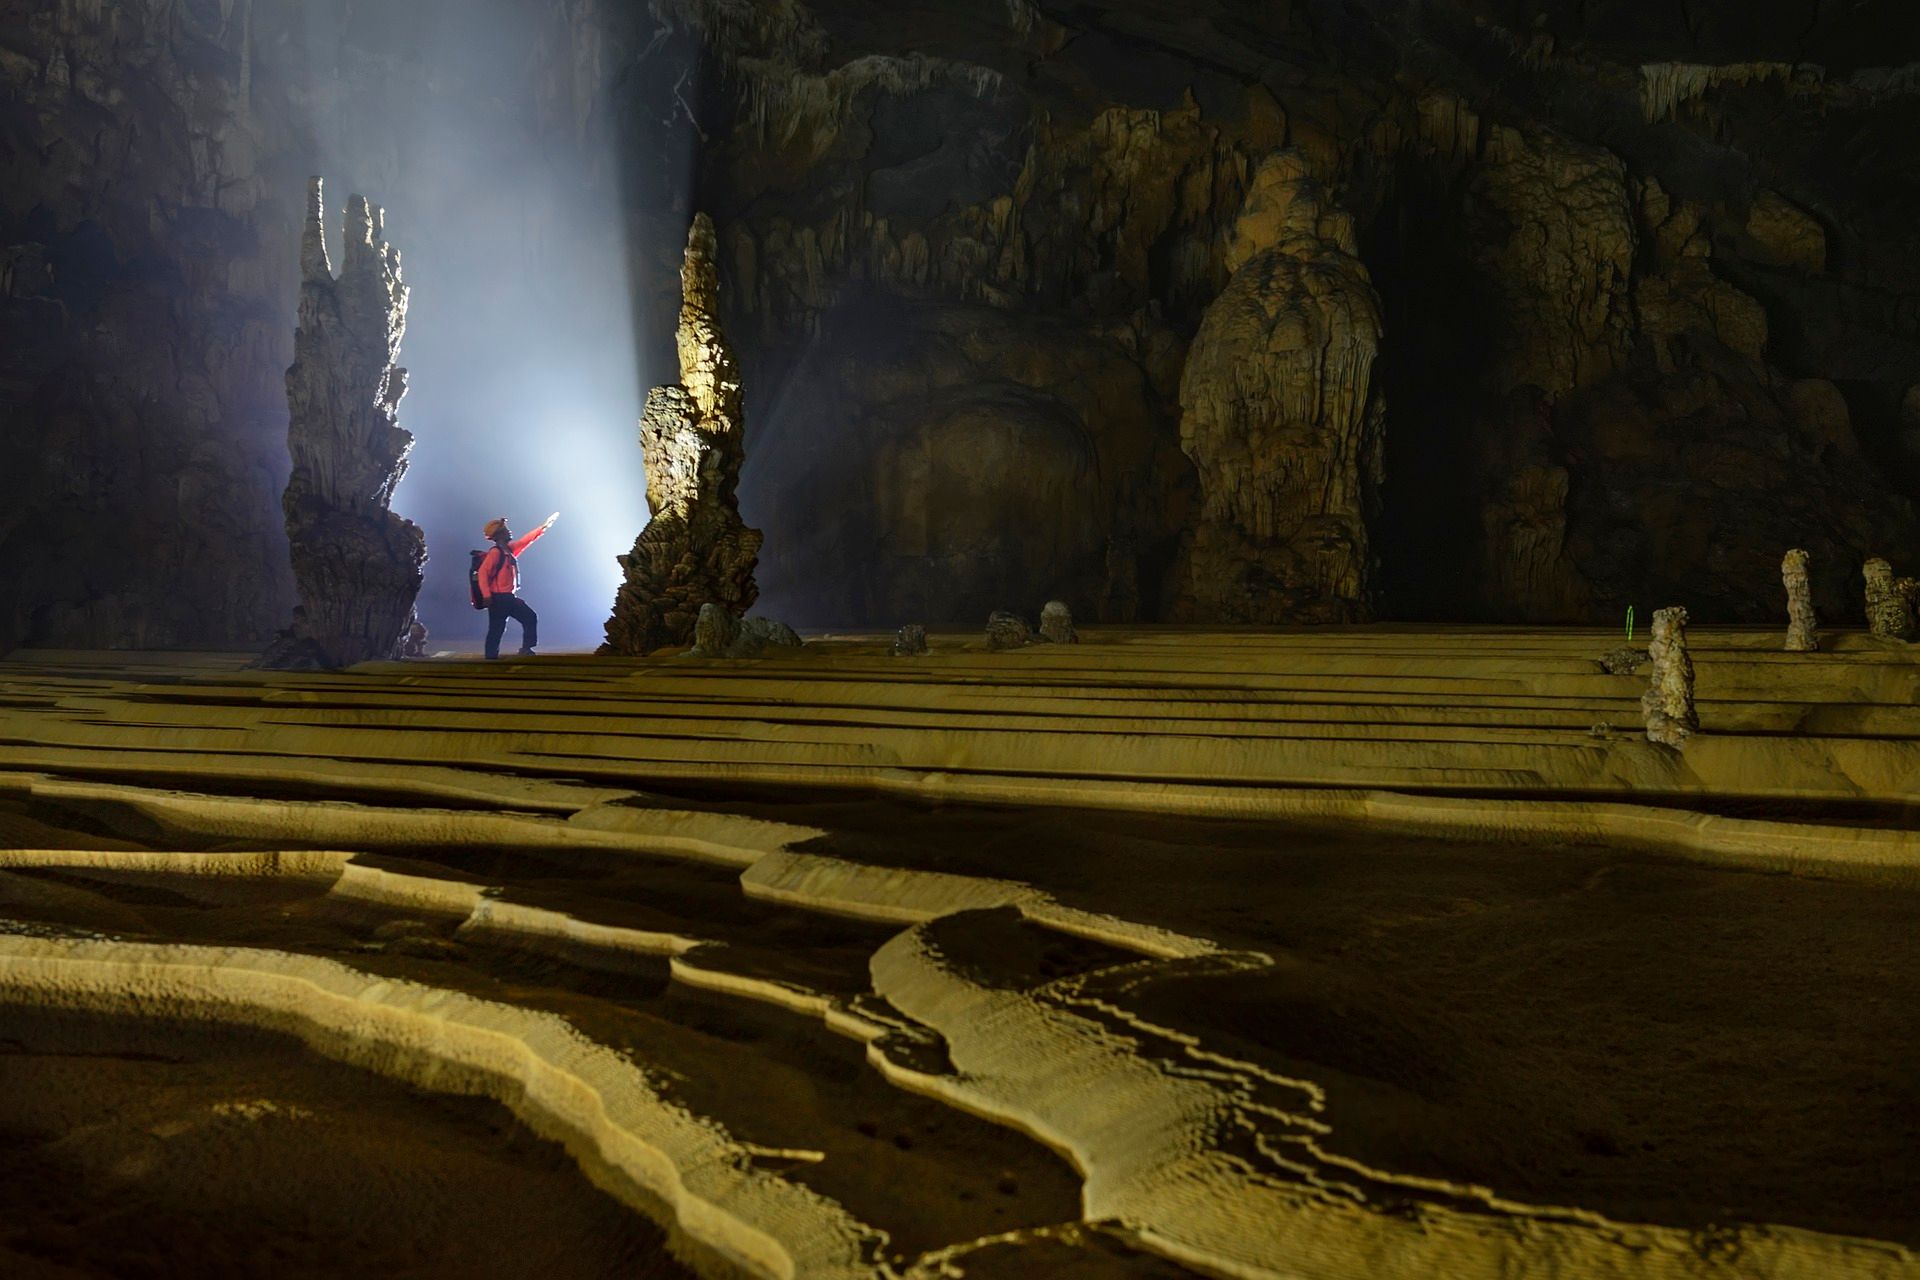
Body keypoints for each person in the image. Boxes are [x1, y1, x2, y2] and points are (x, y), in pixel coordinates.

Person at [478, 512, 557, 659]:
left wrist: (543, 527)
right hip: (498, 598)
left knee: (528, 618)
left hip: (507, 597)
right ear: (500, 535)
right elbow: (483, 573)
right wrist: (487, 595)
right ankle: (491, 656)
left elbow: (525, 541)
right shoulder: (496, 553)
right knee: (497, 628)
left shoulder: (508, 550)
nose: (509, 532)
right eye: (506, 530)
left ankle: (523, 649)